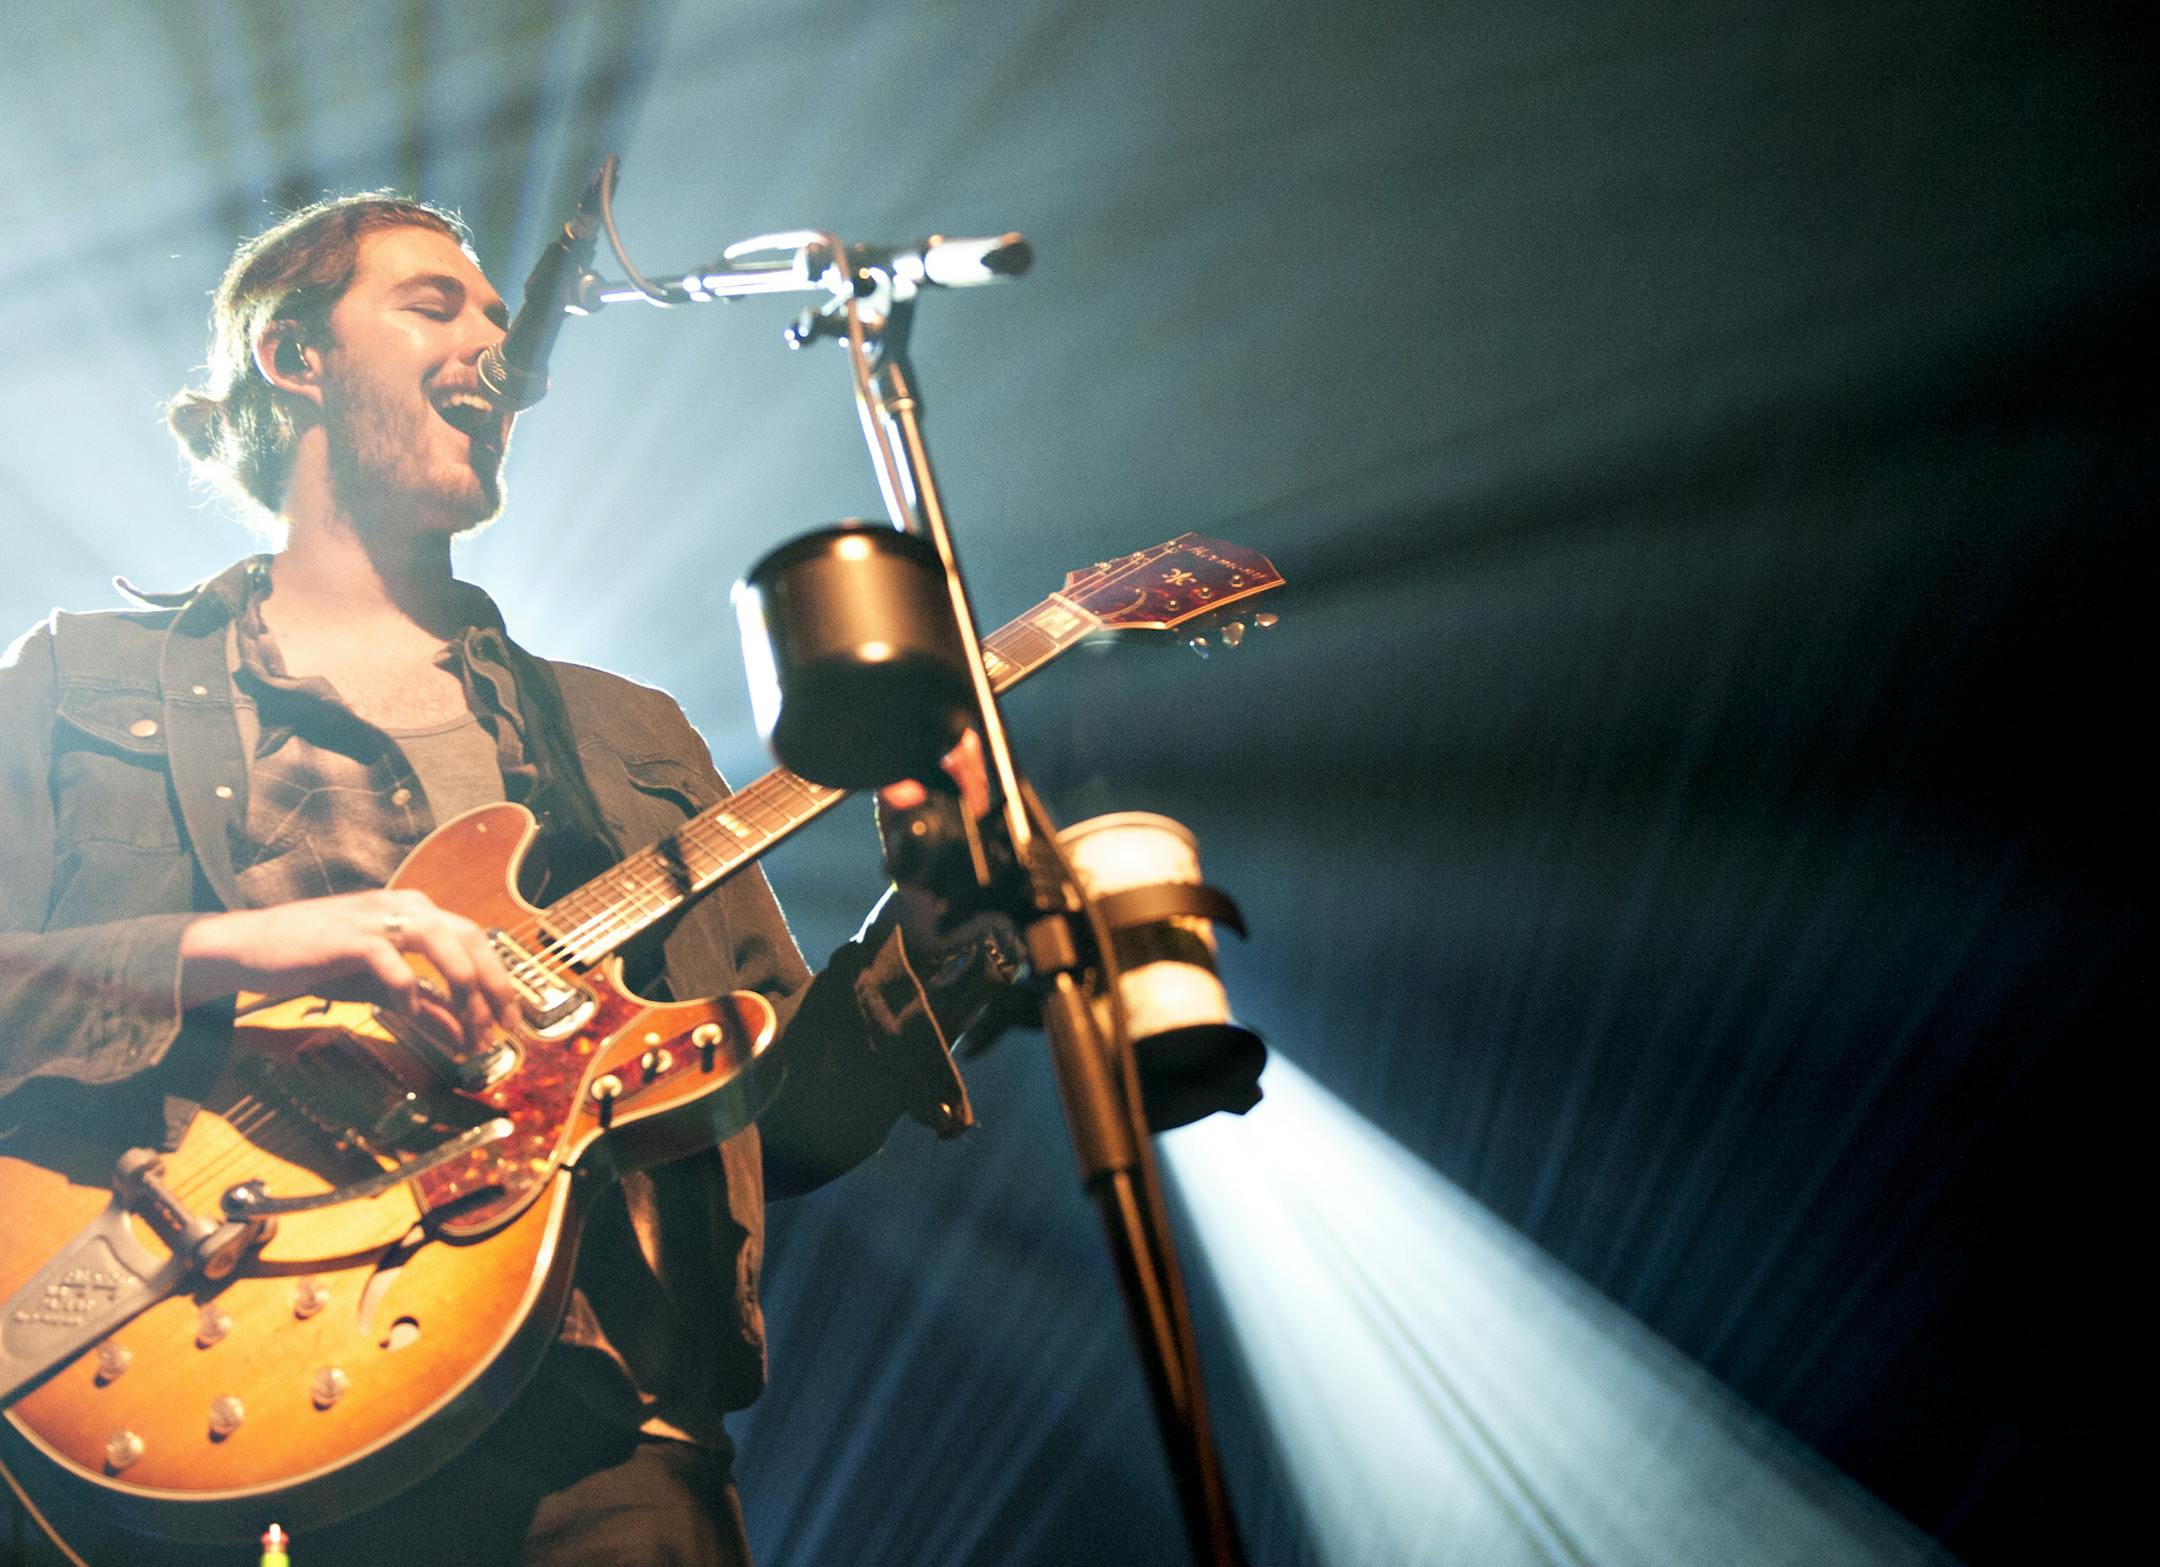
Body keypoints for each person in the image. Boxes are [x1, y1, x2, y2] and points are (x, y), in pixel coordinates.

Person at [0, 194, 998, 1566]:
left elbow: (784, 1114)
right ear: (295, 359)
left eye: (493, 310)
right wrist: (273, 950)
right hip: (192, 1377)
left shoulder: (623, 733)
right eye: (434, 304)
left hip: (589, 1420)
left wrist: (934, 933)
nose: (497, 342)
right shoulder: (79, 681)